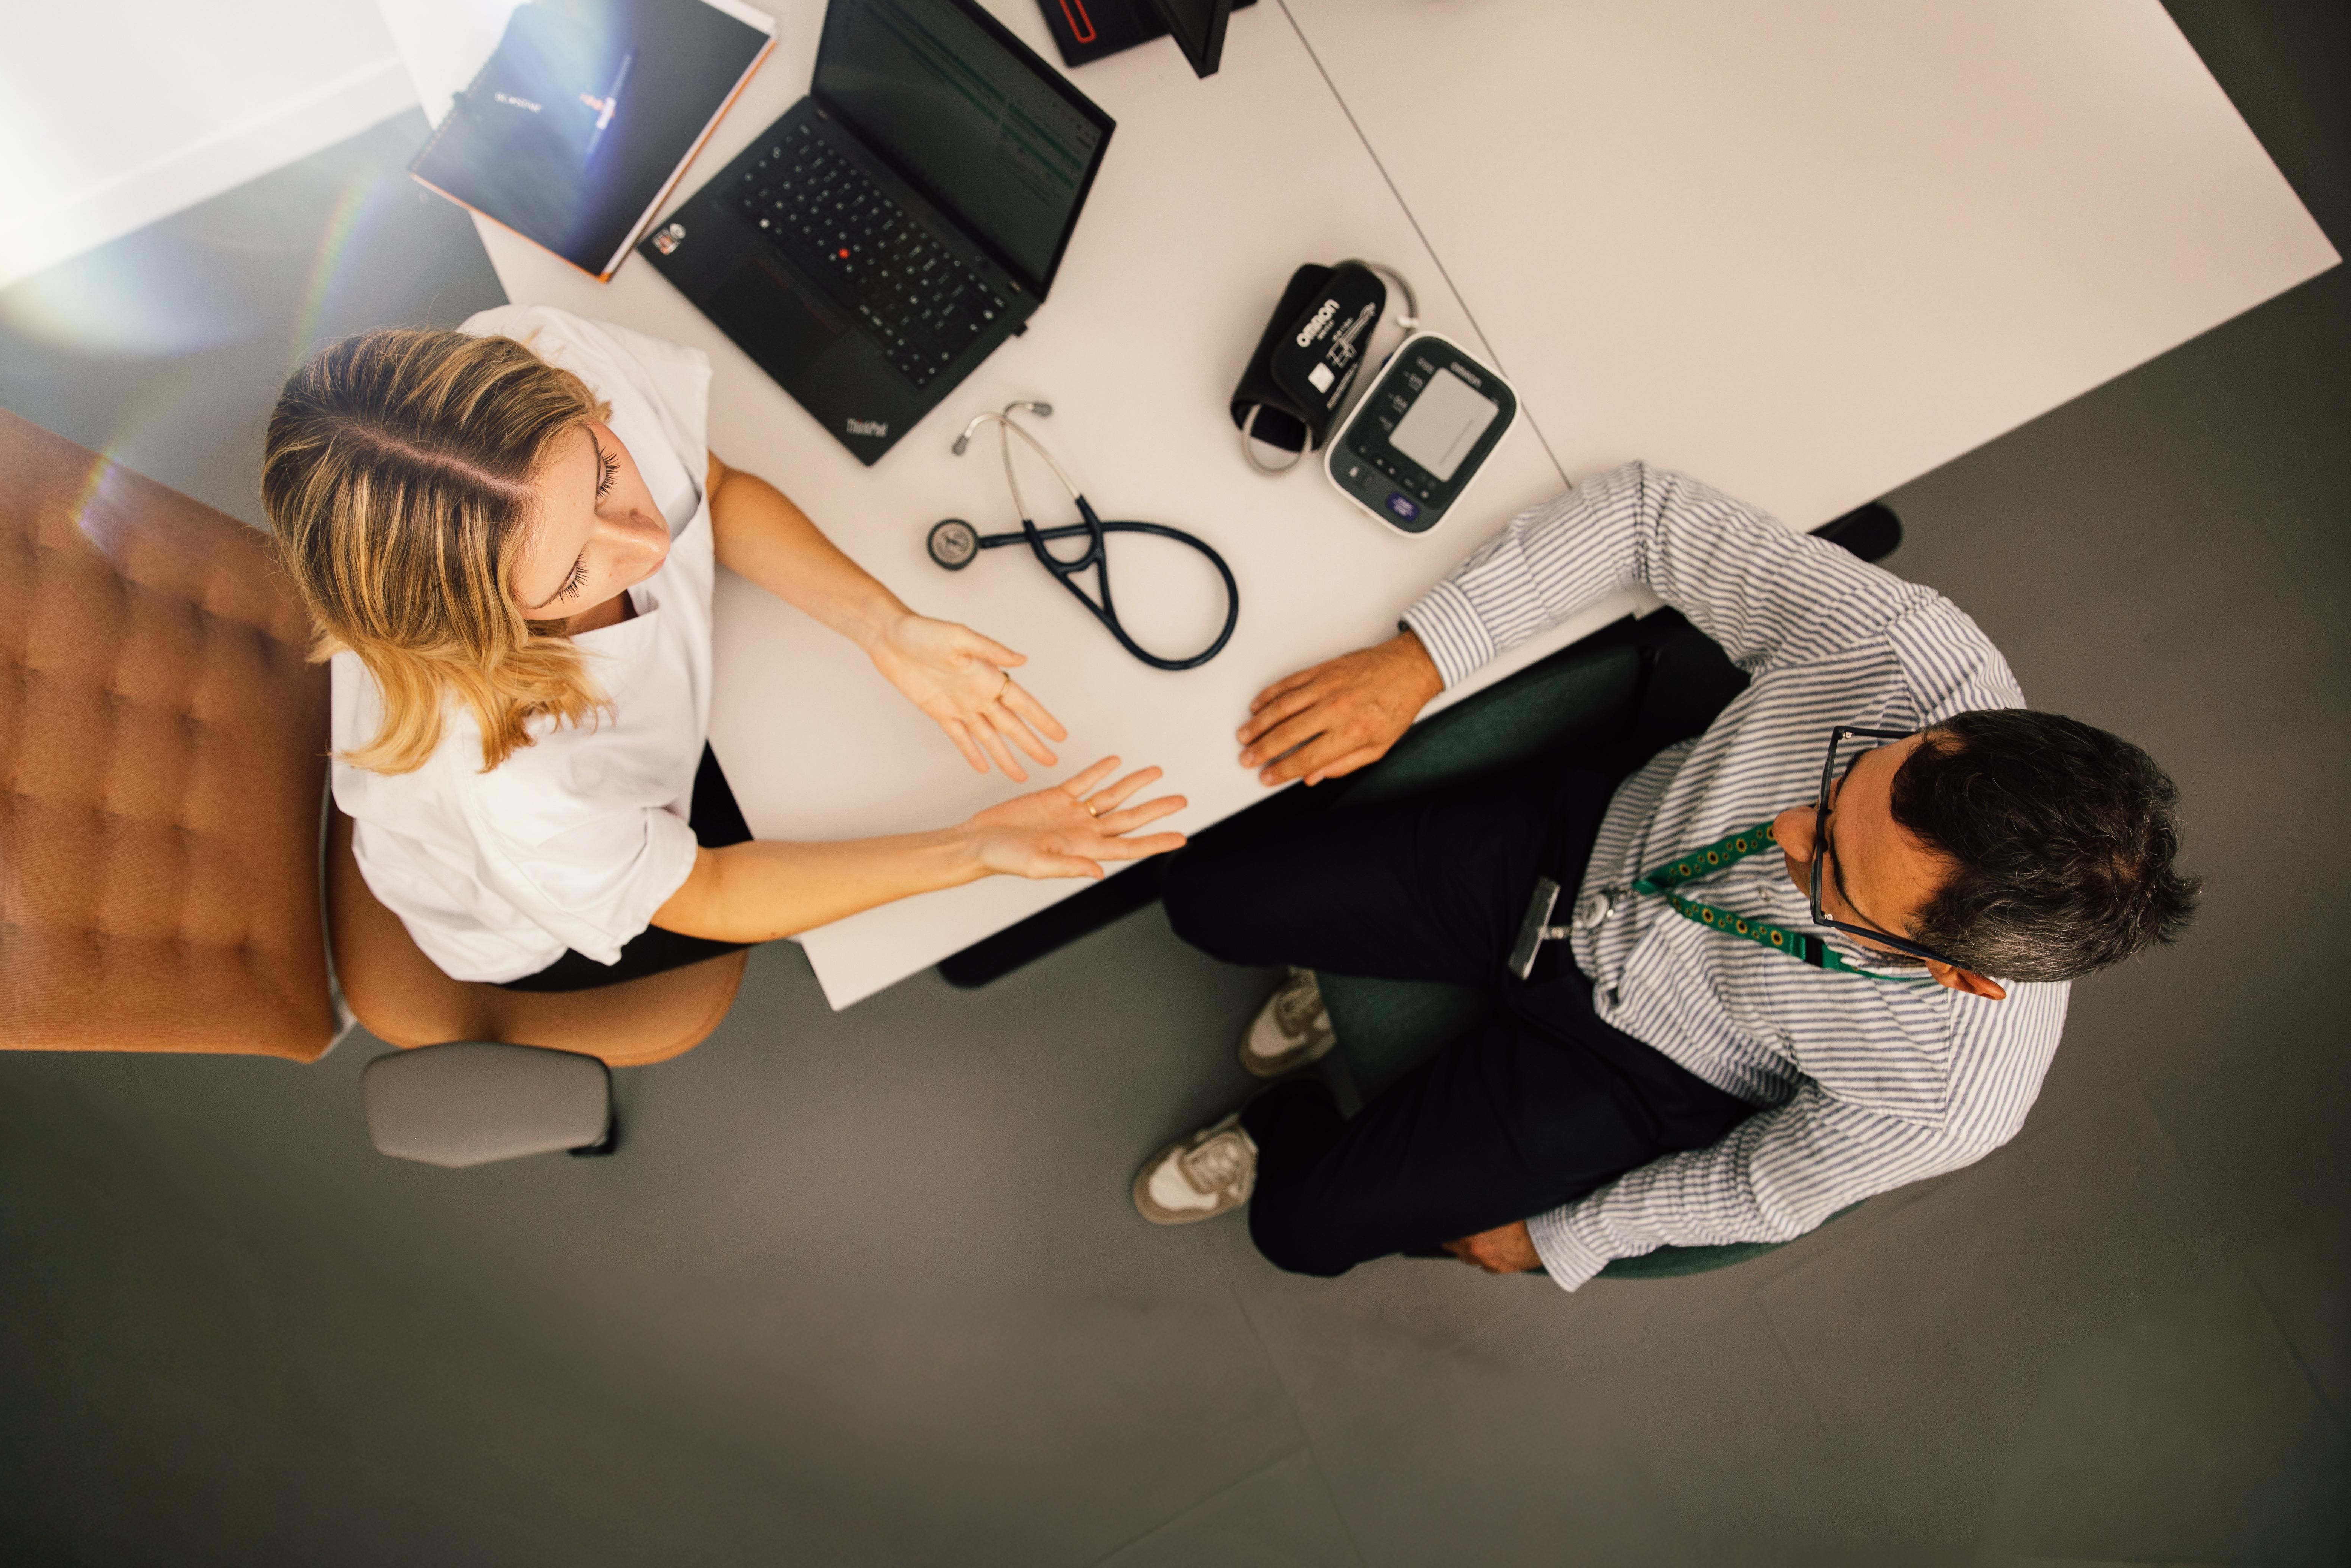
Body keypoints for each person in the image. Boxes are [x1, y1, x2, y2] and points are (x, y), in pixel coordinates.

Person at [1132, 463, 2196, 1290]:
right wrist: (1421, 660)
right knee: (1204, 902)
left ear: (1955, 973)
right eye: (1846, 779)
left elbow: (1762, 1187)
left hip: (1645, 1070)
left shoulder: (1951, 1096)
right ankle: (1335, 966)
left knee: (1299, 1231)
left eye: (1830, 871)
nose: (1790, 825)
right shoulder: (1911, 662)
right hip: (1584, 851)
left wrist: (1563, 1237)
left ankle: (1287, 1116)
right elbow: (1648, 514)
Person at [260, 305, 1184, 989]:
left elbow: (717, 490)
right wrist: (971, 846)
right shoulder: (513, 789)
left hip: (647, 754)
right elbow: (704, 891)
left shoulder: (538, 354)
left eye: (607, 475)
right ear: (484, 624)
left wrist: (886, 628)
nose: (647, 542)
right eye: (574, 572)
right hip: (536, 913)